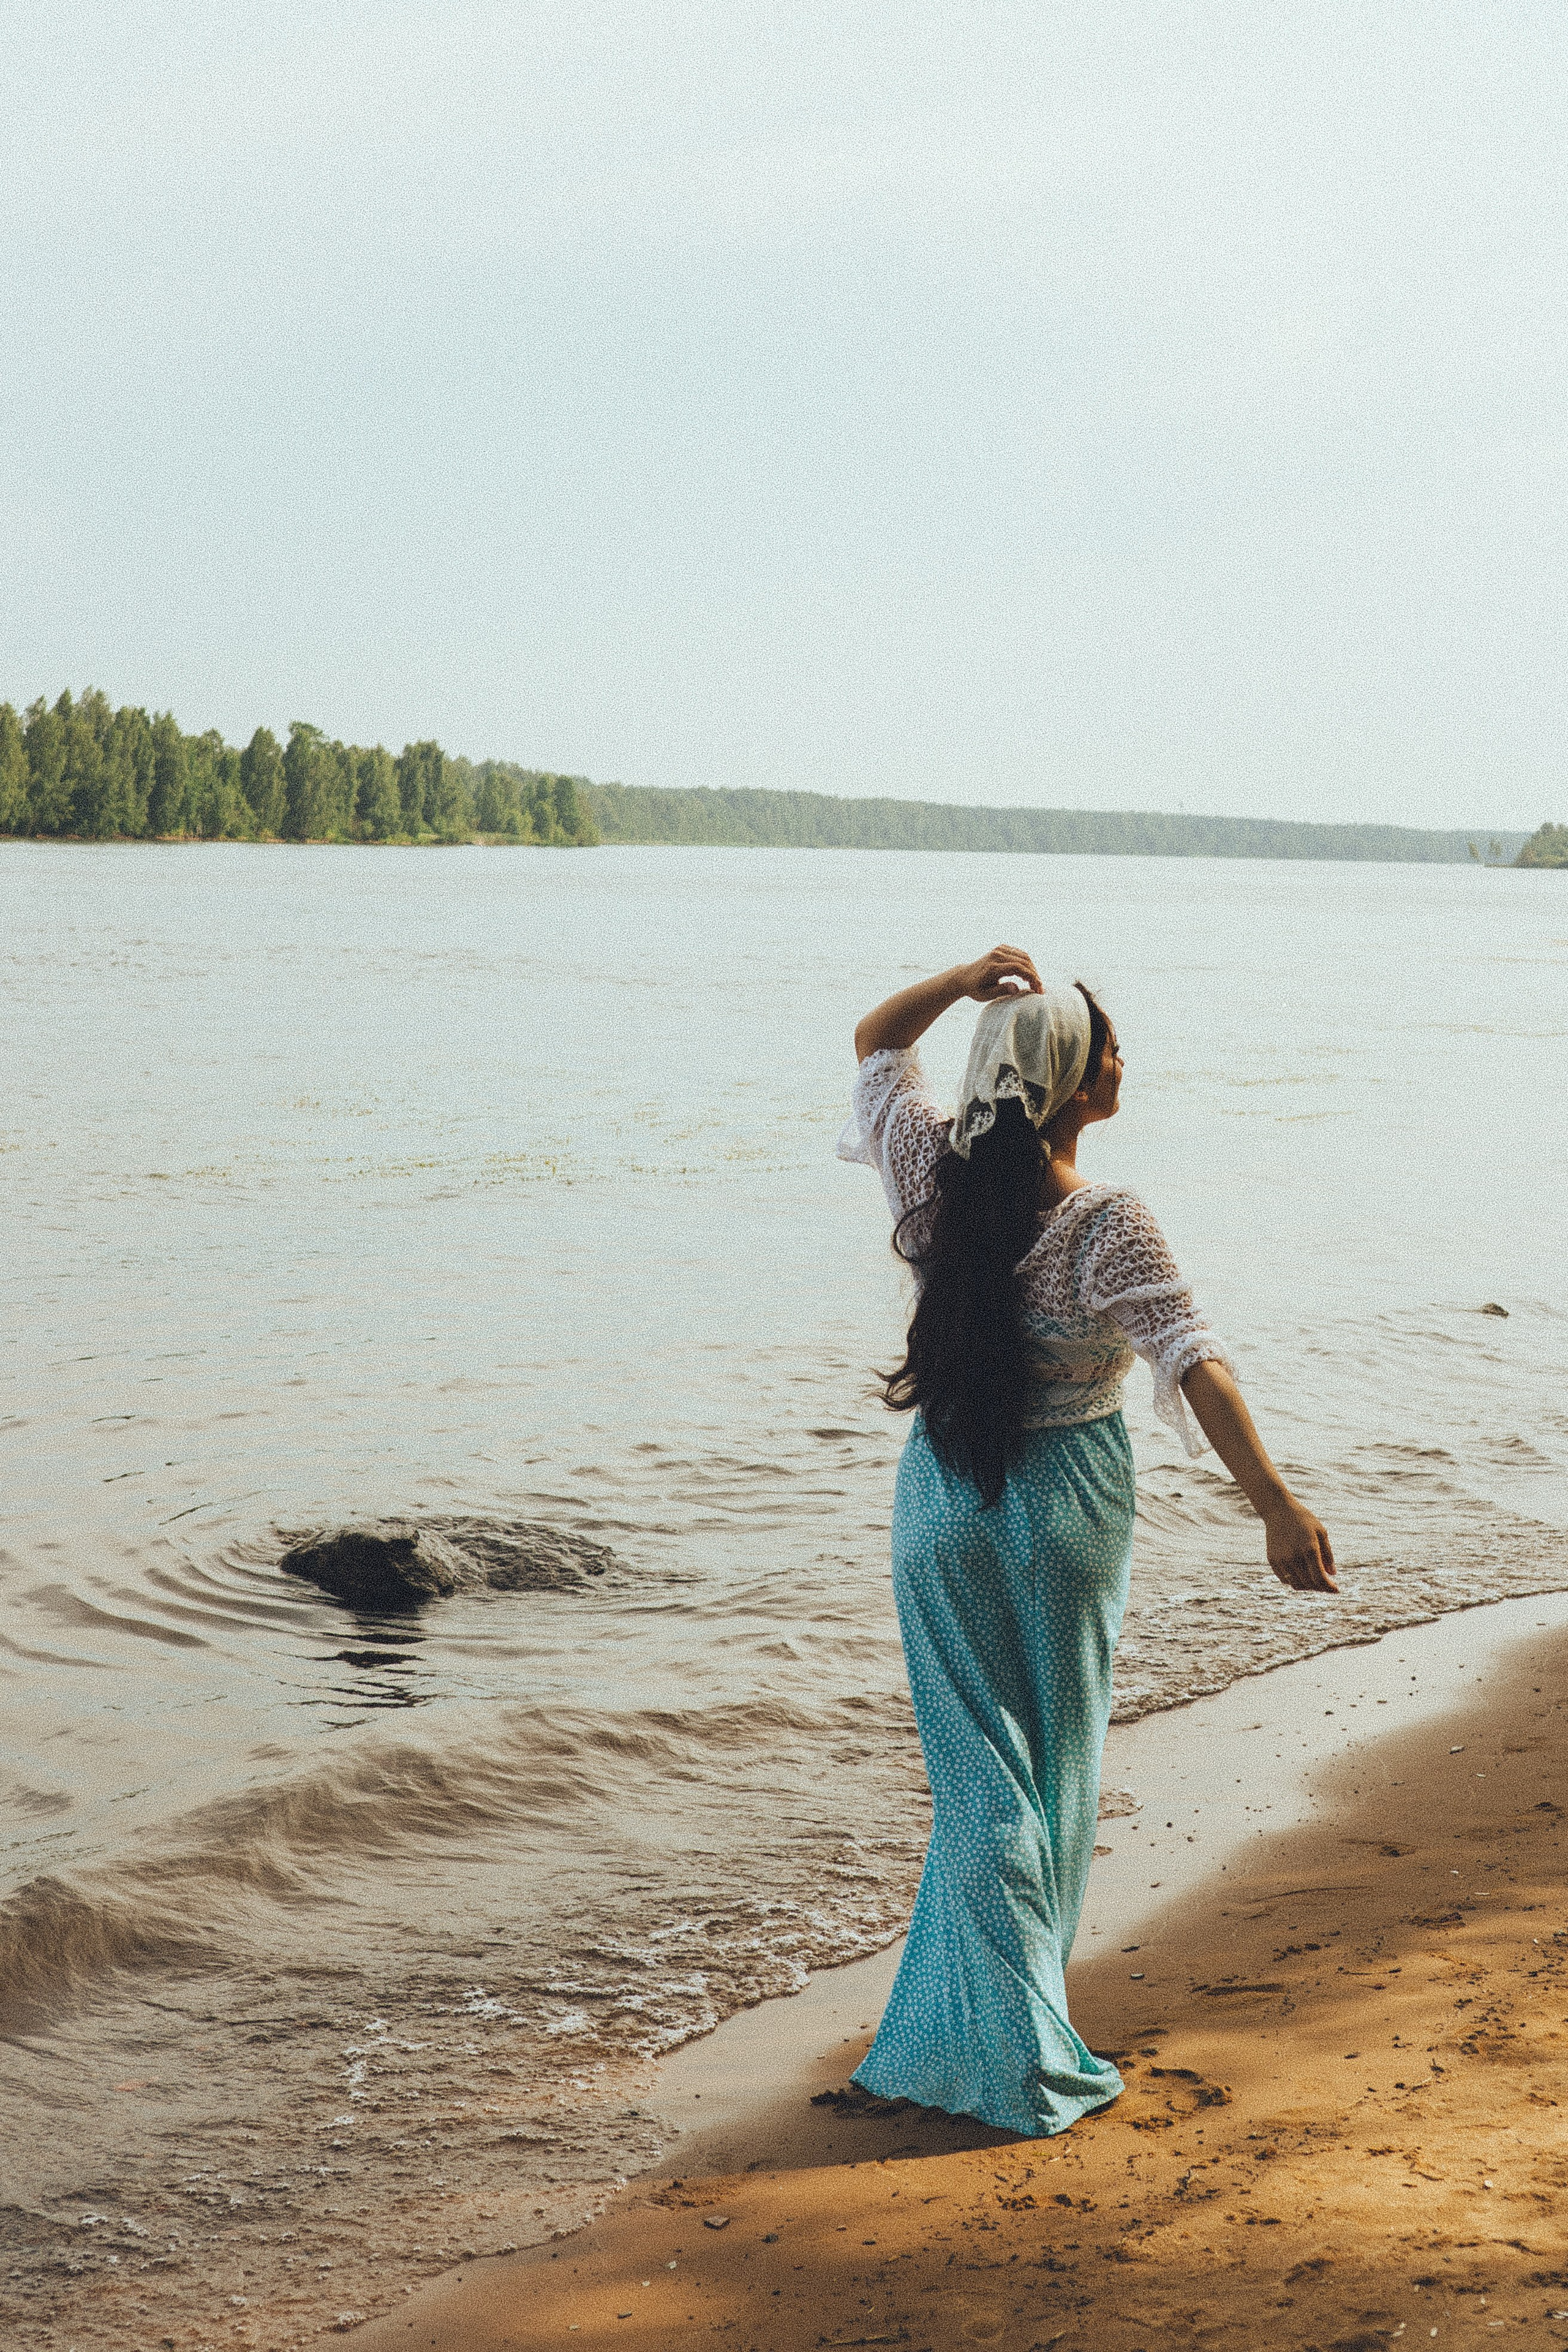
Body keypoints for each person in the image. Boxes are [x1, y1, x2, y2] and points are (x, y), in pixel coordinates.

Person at [837, 944, 1335, 2136]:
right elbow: (1193, 1362)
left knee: (975, 1779)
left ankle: (950, 2043)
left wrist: (961, 981)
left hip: (944, 1498)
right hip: (1062, 1507)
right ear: (1068, 1082)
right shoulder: (1105, 1220)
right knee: (1049, 1769)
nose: (1121, 1065)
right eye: (1107, 1052)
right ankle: (1018, 2056)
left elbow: (875, 1044)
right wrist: (1272, 1502)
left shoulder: (928, 1177)